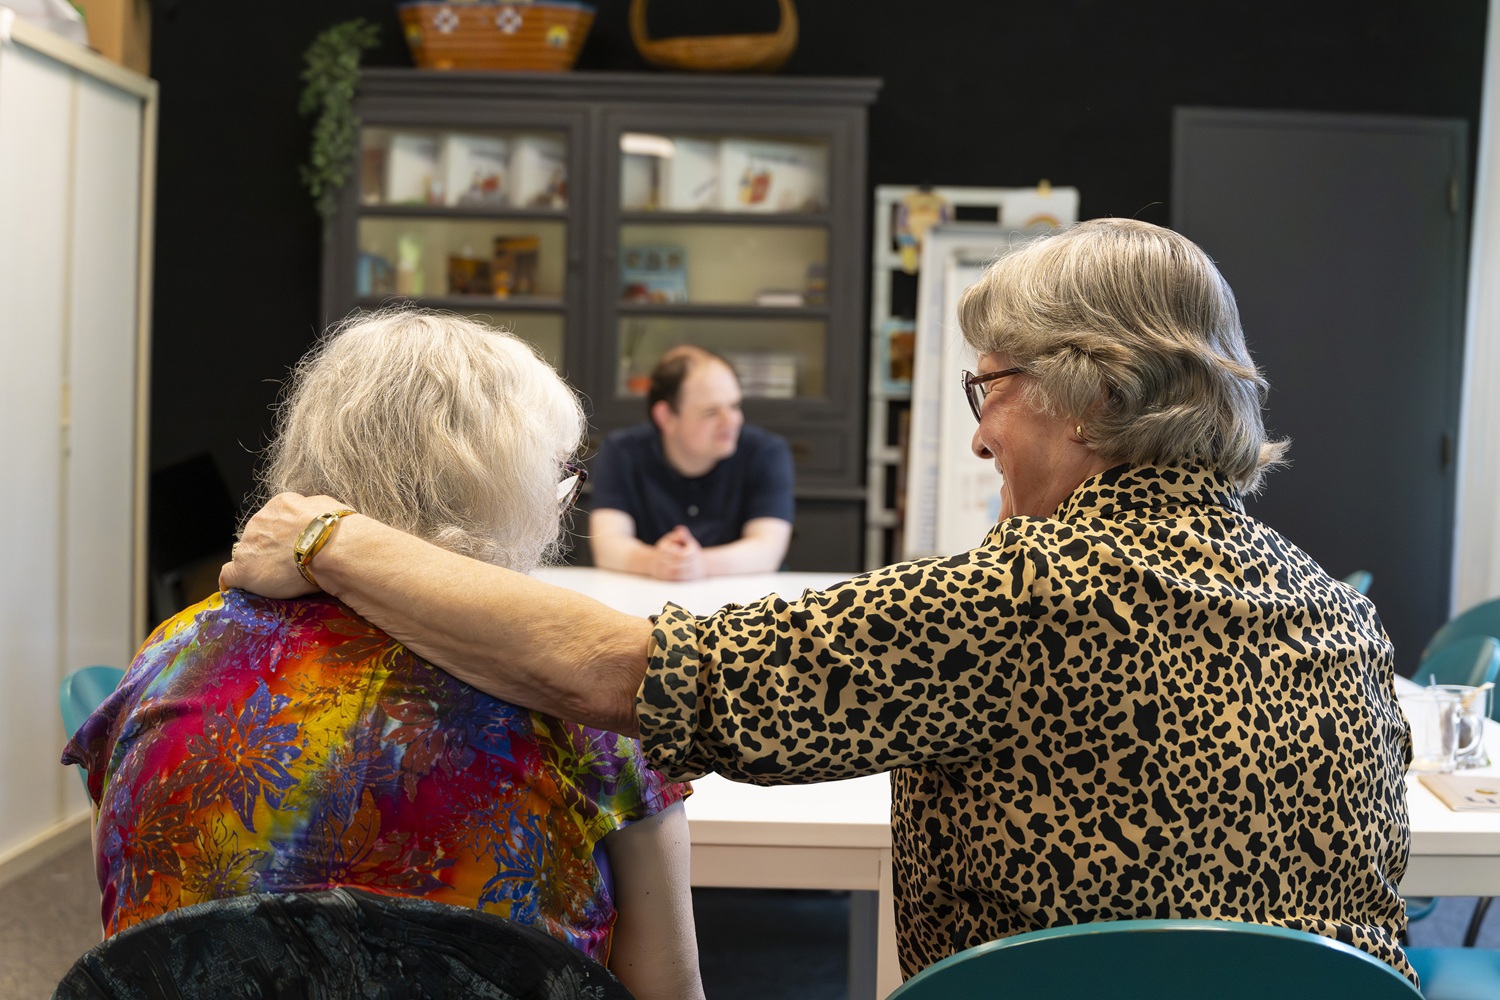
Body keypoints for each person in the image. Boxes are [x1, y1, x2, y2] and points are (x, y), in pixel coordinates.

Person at [222, 221, 1414, 984]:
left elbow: (620, 673)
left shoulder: (1016, 600)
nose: (979, 427)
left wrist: (332, 534)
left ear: (1082, 397)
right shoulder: (1342, 619)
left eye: (989, 386)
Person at [64, 309, 705, 1000]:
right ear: (507, 490)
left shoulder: (169, 662)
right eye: (558, 479)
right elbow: (670, 989)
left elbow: (126, 951)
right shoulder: (583, 702)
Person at [589, 345, 794, 580]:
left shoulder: (766, 451)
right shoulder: (622, 451)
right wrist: (653, 562)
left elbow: (767, 549)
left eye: (735, 406)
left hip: (742, 603)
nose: (732, 421)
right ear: (665, 416)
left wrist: (700, 564)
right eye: (710, 412)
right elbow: (607, 545)